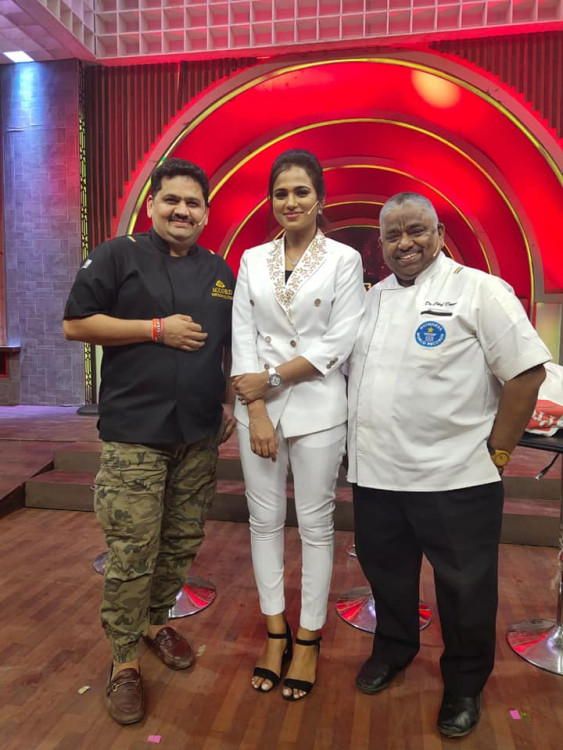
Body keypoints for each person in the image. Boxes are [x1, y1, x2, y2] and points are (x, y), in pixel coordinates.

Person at [347, 192, 551, 738]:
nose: (405, 243)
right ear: (381, 244)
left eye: (417, 230)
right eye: (393, 235)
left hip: (457, 478)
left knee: (465, 590)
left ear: (439, 233)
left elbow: (526, 373)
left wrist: (499, 453)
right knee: (387, 576)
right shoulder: (372, 299)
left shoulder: (480, 290)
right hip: (378, 476)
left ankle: (464, 683)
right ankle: (393, 650)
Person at [63, 158, 236, 725]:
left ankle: (156, 623)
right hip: (136, 434)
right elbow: (76, 323)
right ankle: (123, 661)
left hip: (198, 435)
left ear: (205, 213)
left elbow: (230, 346)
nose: (182, 211)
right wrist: (155, 330)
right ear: (152, 204)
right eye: (172, 200)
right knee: (133, 550)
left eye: (193, 203)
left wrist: (230, 403)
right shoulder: (118, 255)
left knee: (180, 541)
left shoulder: (220, 272)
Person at [231, 149, 365, 701]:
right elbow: (242, 335)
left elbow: (339, 342)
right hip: (256, 412)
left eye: (301, 192)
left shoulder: (345, 260)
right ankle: (275, 632)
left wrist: (271, 381)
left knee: (315, 526)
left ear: (320, 199)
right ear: (271, 200)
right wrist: (257, 409)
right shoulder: (252, 259)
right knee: (263, 523)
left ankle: (308, 637)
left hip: (317, 407)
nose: (290, 202)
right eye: (281, 193)